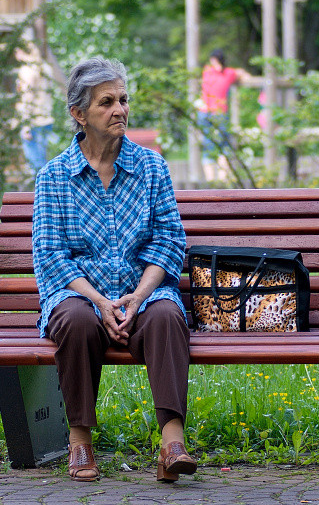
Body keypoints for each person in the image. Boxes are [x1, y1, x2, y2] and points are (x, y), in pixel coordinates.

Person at [32, 57, 196, 483]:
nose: (119, 109)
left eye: (123, 100)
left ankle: (172, 444)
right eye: (106, 102)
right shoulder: (54, 176)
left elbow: (168, 241)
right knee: (75, 320)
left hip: (143, 293)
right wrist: (100, 302)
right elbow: (51, 256)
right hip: (80, 295)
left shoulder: (151, 167)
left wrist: (138, 297)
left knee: (167, 316)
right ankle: (80, 442)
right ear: (79, 113)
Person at [198, 49, 250, 180]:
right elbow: (241, 73)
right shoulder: (226, 73)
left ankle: (215, 179)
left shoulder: (209, 71)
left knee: (212, 145)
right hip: (215, 112)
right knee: (221, 145)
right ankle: (220, 179)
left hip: (209, 112)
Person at [15, 43, 55, 174]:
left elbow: (28, 98)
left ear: (21, 52)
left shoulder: (27, 70)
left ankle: (42, 188)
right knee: (45, 162)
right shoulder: (45, 68)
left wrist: (25, 125)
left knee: (37, 166)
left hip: (33, 122)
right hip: (46, 119)